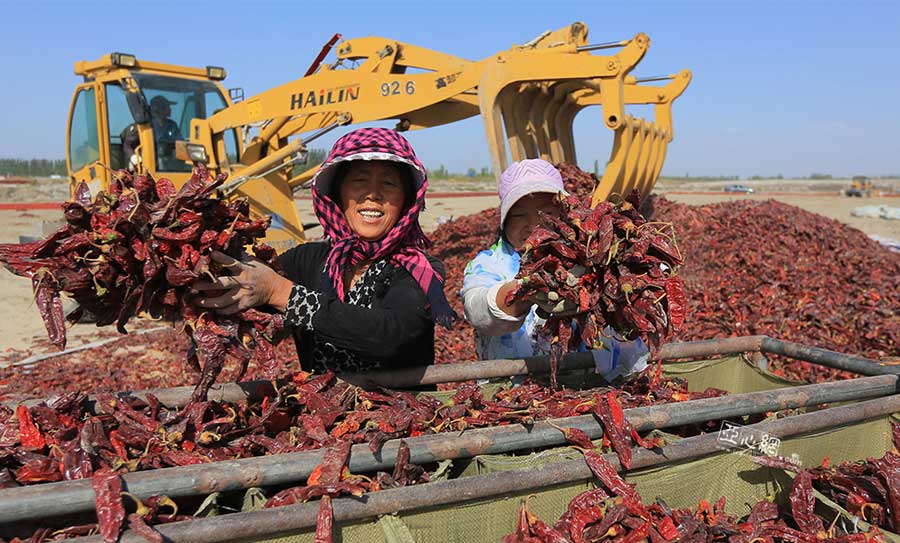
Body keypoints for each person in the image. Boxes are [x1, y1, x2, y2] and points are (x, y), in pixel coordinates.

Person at [194, 127, 454, 373]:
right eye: (359, 181)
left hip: (404, 415)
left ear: (406, 201)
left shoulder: (420, 269)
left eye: (389, 184)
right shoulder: (306, 261)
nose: (372, 194)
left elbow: (390, 336)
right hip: (322, 416)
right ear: (337, 194)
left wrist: (282, 293)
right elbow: (246, 299)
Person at [460, 158, 648, 382]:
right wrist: (525, 290)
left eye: (547, 214)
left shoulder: (590, 260)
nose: (534, 226)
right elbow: (477, 309)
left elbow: (629, 323)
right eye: (519, 216)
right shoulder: (488, 264)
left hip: (577, 395)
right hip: (508, 396)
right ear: (504, 221)